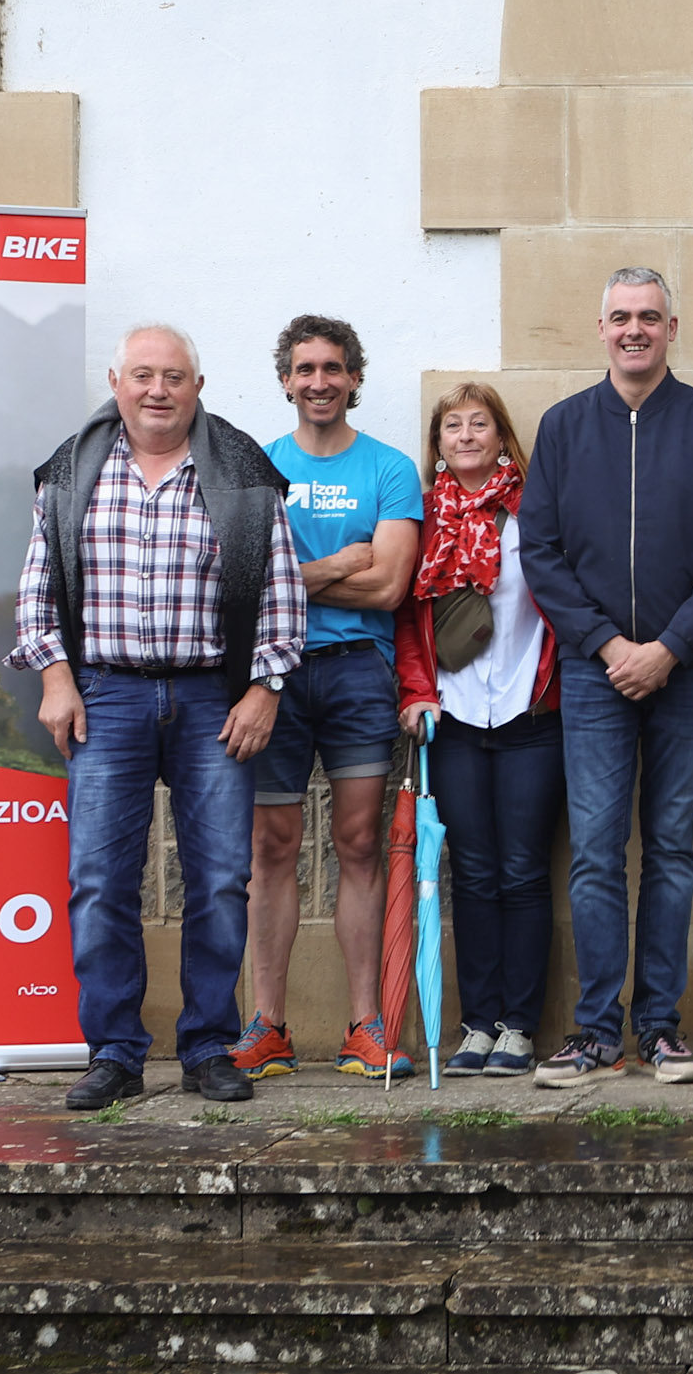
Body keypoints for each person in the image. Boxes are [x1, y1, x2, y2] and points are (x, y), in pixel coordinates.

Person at [10, 324, 306, 1112]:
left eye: (174, 375)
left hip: (214, 696)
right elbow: (37, 591)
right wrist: (56, 679)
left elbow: (283, 592)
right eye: (143, 374)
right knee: (100, 879)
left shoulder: (242, 471)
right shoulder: (72, 471)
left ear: (197, 386)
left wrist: (264, 688)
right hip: (105, 695)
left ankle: (209, 1045)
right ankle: (114, 1050)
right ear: (116, 380)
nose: (158, 389)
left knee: (219, 879)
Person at [519, 267, 693, 1087]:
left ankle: (659, 1026)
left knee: (669, 849)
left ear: (671, 328)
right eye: (621, 317)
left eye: (649, 317)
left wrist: (668, 646)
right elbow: (540, 551)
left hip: (686, 671)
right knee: (593, 851)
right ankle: (594, 1030)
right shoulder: (562, 428)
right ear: (600, 329)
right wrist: (606, 645)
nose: (635, 330)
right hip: (594, 675)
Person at [234, 316, 425, 1081]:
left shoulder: (390, 468)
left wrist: (293, 573)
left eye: (334, 368)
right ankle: (268, 1026)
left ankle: (364, 1026)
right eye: (305, 368)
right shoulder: (255, 467)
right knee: (271, 849)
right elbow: (240, 586)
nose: (319, 381)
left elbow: (388, 584)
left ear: (354, 378)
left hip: (356, 671)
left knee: (357, 845)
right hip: (272, 674)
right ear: (285, 378)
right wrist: (340, 560)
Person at [396, 382, 562, 1079]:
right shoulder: (425, 518)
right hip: (455, 717)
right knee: (470, 873)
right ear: (437, 443)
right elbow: (406, 616)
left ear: (501, 434)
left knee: (524, 871)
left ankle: (520, 1026)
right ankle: (477, 1023)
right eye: (452, 426)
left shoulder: (536, 509)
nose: (465, 435)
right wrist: (416, 691)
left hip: (530, 712)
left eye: (479, 423)